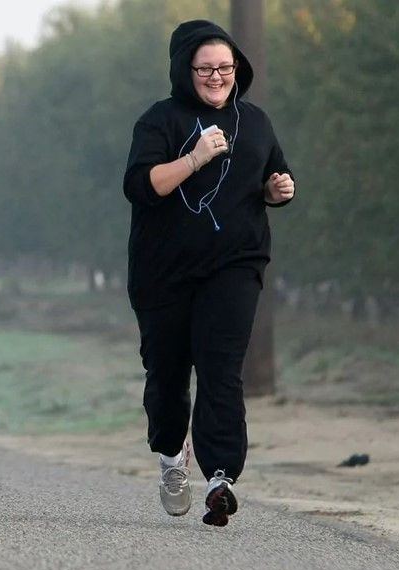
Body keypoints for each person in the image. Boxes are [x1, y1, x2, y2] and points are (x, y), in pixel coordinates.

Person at [122, 20, 295, 527]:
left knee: (221, 371)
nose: (217, 76)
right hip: (164, 272)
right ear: (185, 70)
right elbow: (140, 185)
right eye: (206, 68)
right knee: (169, 373)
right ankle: (172, 459)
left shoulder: (256, 122)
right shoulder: (160, 121)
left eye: (226, 67)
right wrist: (194, 158)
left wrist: (278, 190)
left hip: (234, 265)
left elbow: (271, 177)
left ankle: (221, 477)